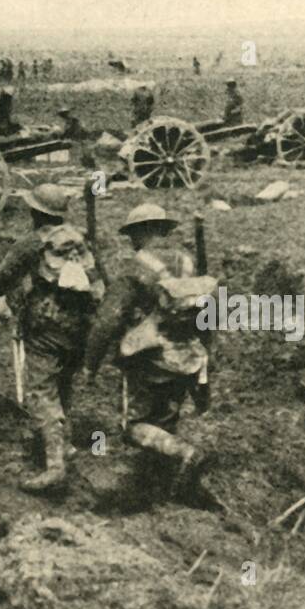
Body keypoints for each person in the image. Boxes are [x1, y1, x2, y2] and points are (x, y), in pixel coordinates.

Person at [85, 204, 220, 508]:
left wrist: (90, 365)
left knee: (134, 428)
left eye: (133, 235)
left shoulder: (137, 268)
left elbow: (108, 320)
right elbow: (209, 317)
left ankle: (186, 453)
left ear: (139, 232)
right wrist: (208, 359)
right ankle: (161, 494)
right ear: (164, 229)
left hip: (149, 359)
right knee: (163, 423)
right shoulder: (187, 263)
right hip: (188, 358)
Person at [0, 216, 104, 493]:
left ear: (34, 211)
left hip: (45, 327)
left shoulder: (32, 243)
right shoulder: (81, 239)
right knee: (63, 384)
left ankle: (54, 466)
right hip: (81, 327)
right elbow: (101, 282)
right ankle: (66, 445)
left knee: (41, 391)